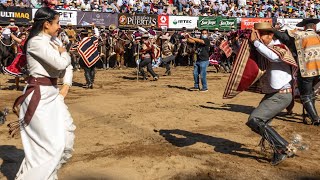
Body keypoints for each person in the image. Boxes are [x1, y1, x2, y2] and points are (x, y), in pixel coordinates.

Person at [10, 7, 75, 179]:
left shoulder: (54, 41)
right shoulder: (36, 42)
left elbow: (67, 66)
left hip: (51, 95)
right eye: (57, 22)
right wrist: (64, 55)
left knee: (61, 142)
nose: (60, 26)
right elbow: (61, 64)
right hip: (38, 97)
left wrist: (66, 86)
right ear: (46, 24)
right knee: (49, 148)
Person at [246, 22, 297, 165]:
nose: (260, 38)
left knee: (255, 120)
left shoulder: (279, 48)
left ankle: (282, 147)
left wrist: (256, 42)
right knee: (259, 123)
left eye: (262, 35)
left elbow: (273, 57)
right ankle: (281, 147)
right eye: (258, 35)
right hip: (276, 93)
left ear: (271, 35)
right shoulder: (267, 49)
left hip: (281, 94)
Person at [287, 19, 320, 125]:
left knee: (306, 95)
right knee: (311, 94)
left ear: (304, 27)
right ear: (314, 27)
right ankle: (310, 115)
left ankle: (315, 118)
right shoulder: (318, 36)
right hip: (318, 70)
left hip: (307, 70)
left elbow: (287, 34)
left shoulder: (300, 35)